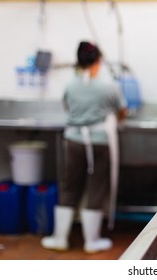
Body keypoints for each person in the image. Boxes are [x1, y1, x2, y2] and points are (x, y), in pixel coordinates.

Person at [41, 41, 128, 253]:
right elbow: (122, 111)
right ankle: (92, 241)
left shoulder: (70, 85)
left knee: (69, 187)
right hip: (100, 142)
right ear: (98, 61)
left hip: (73, 141)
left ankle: (60, 238)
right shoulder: (109, 87)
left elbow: (67, 107)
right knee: (96, 188)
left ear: (78, 63)